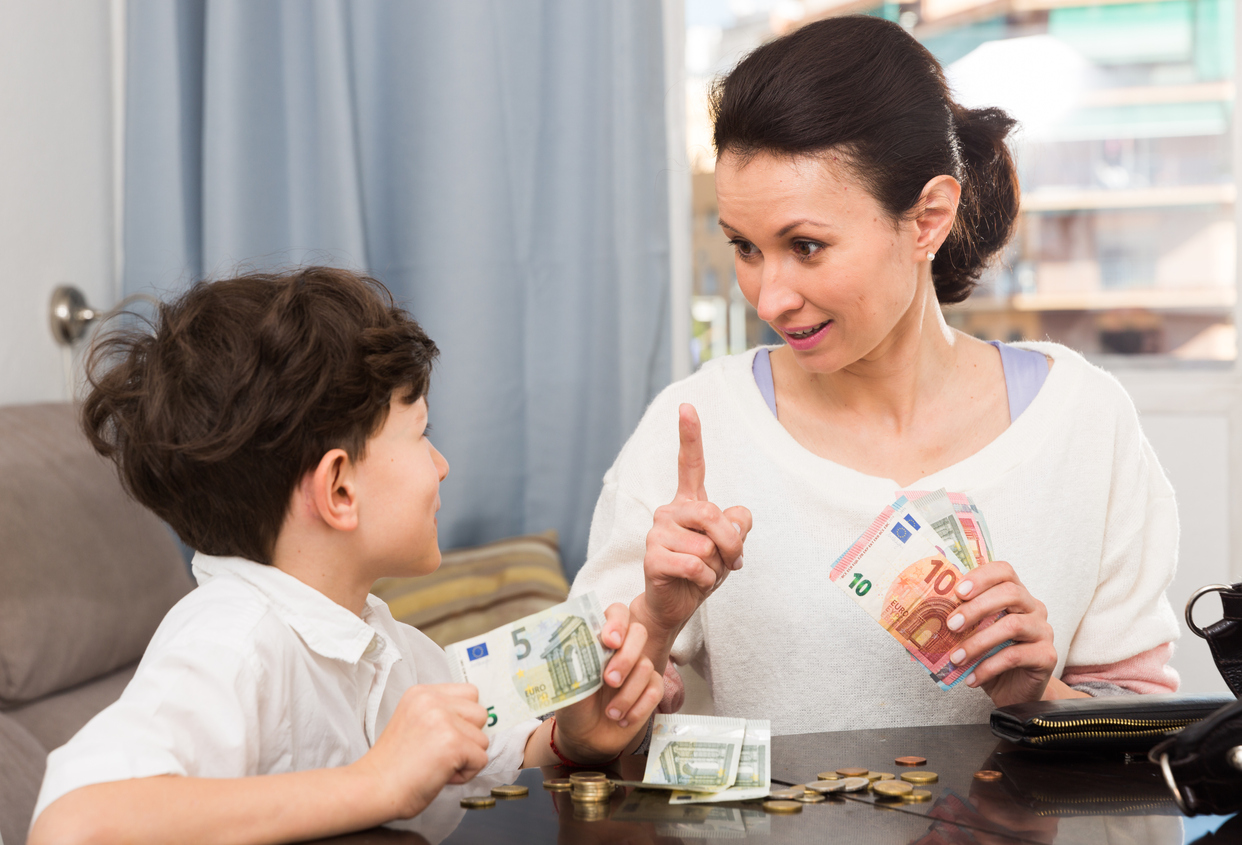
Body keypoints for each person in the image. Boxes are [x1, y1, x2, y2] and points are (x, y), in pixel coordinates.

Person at [570, 15, 1180, 737]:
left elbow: (1155, 741)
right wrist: (655, 616)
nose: (769, 298)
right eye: (745, 247)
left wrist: (1038, 690)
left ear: (927, 219)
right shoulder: (697, 429)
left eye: (805, 245)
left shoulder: (1085, 420)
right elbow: (569, 741)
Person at [28, 268, 662, 845]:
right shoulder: (232, 638)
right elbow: (74, 825)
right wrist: (376, 782)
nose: (441, 467)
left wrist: (566, 739)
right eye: (422, 435)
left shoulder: (391, 647)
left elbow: (477, 761)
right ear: (338, 490)